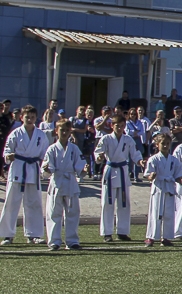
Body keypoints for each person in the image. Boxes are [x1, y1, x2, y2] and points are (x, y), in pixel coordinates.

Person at [1, 105, 50, 245]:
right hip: (18, 168)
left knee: (34, 202)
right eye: (27, 117)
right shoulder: (15, 133)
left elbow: (45, 154)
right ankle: (7, 235)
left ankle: (34, 235)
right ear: (22, 117)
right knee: (11, 202)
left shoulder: (41, 135)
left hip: (33, 169)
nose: (29, 119)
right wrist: (8, 156)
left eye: (32, 117)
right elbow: (7, 150)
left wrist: (45, 165)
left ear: (36, 118)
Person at [96, 114, 142, 241]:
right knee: (107, 203)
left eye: (122, 126)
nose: (120, 128)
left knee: (124, 203)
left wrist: (140, 161)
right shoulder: (106, 139)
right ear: (112, 126)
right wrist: (99, 157)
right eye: (117, 126)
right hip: (110, 170)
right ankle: (107, 232)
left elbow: (135, 154)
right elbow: (98, 152)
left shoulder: (128, 140)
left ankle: (122, 231)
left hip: (122, 171)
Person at [42, 119, 86, 250]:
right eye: (62, 130)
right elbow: (47, 169)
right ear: (56, 131)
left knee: (72, 212)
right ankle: (54, 241)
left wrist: (84, 170)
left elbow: (80, 166)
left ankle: (72, 241)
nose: (65, 133)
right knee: (54, 213)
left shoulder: (74, 148)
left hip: (70, 181)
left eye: (67, 130)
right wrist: (47, 170)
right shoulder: (52, 149)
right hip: (57, 181)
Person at [143, 133, 182, 247]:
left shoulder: (174, 160)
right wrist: (151, 176)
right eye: (163, 143)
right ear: (157, 144)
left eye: (167, 144)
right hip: (158, 187)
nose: (165, 146)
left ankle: (165, 237)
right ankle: (151, 237)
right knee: (155, 213)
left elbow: (177, 174)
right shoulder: (153, 159)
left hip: (169, 187)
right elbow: (148, 174)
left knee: (169, 214)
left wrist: (180, 180)